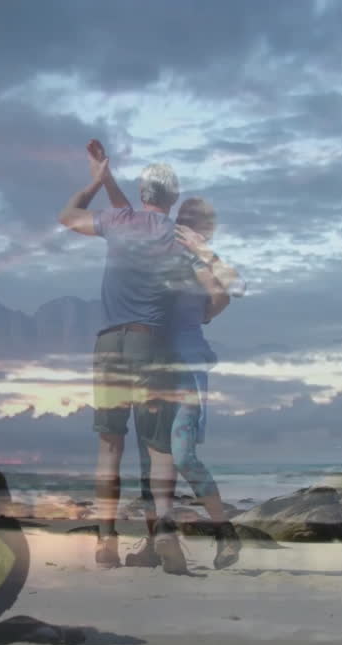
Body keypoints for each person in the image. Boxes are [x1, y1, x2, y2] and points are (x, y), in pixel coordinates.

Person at [57, 139, 192, 575]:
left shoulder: (119, 220)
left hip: (108, 345)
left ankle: (106, 542)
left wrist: (97, 182)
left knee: (109, 444)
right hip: (150, 343)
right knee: (158, 448)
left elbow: (68, 217)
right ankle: (166, 533)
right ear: (173, 199)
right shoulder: (178, 237)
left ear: (142, 194)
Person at [100, 189, 247, 570]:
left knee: (182, 456)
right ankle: (155, 544)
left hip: (186, 370)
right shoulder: (161, 258)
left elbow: (232, 292)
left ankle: (225, 532)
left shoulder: (196, 261)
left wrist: (205, 262)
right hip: (154, 364)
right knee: (152, 460)